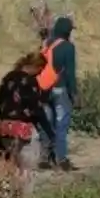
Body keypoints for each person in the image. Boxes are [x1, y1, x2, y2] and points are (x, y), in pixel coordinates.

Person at [0, 52, 53, 198]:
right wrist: (49, 131)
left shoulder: (7, 78)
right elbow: (36, 108)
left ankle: (3, 197)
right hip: (23, 127)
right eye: (40, 70)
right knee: (26, 166)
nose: (40, 74)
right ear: (36, 66)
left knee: (9, 163)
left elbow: (0, 102)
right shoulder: (29, 81)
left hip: (6, 126)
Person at [39, 16, 78, 171]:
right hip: (60, 90)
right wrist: (74, 94)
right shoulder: (68, 47)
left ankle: (44, 158)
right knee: (61, 125)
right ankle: (61, 159)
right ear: (67, 31)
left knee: (46, 124)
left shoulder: (46, 44)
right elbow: (70, 73)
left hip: (44, 89)